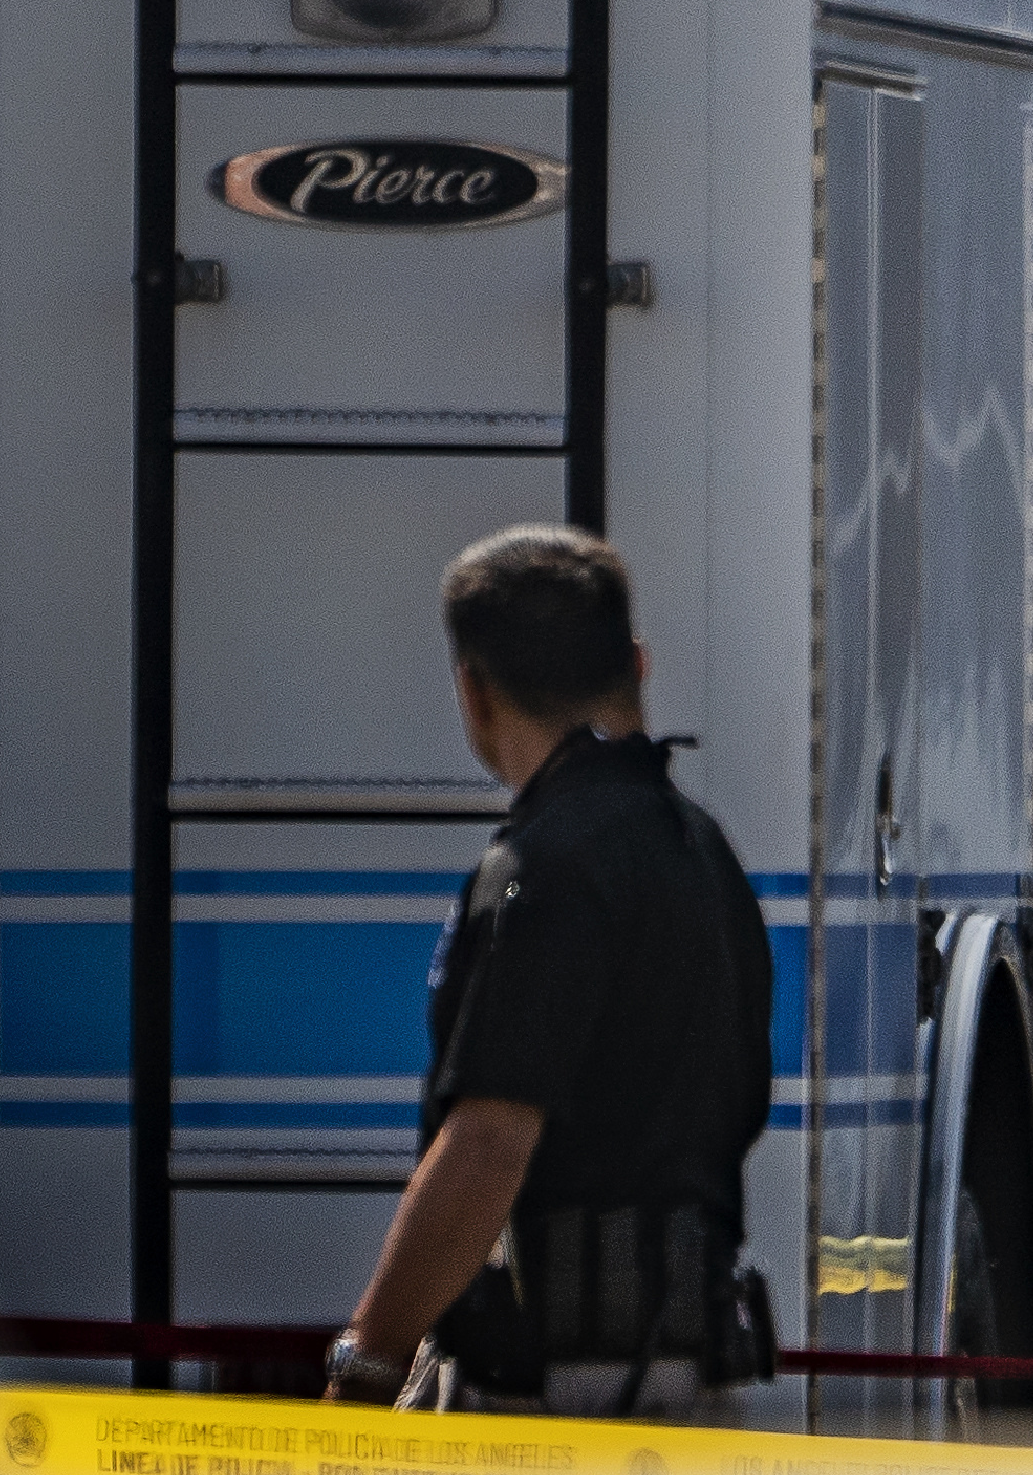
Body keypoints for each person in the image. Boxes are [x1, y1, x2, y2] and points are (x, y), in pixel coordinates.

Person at [330, 527, 778, 1418]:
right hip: (700, 1374)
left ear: (476, 692)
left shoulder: (545, 871)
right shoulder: (703, 851)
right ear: (637, 665)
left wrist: (370, 1364)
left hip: (570, 1405)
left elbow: (488, 1146)